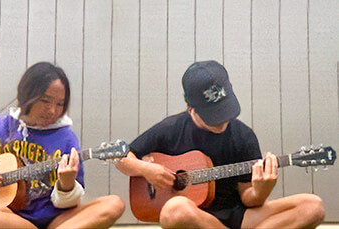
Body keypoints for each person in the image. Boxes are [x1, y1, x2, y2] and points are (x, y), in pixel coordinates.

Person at [116, 60, 325, 229]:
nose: (222, 121)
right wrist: (147, 169)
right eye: (213, 116)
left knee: (313, 206)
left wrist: (262, 189)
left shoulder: (243, 136)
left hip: (237, 216)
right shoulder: (171, 128)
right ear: (190, 108)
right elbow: (121, 158)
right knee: (175, 210)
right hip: (194, 218)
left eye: (225, 112)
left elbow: (249, 198)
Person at [0, 62, 125, 228]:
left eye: (59, 104)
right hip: (10, 218)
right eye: (45, 101)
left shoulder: (67, 139)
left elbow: (68, 204)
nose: (52, 111)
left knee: (114, 204)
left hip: (56, 220)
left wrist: (67, 185)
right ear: (27, 95)